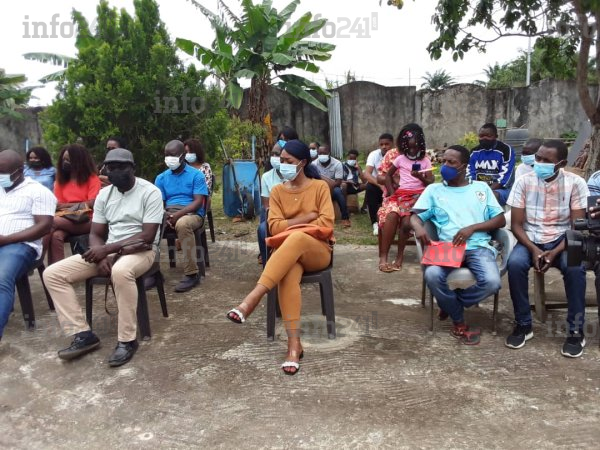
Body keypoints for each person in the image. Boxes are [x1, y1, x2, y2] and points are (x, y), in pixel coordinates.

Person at [43, 149, 163, 366]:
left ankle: (127, 340)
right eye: (110, 167)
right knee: (53, 273)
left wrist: (106, 250)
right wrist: (100, 256)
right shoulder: (104, 195)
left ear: (133, 168)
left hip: (142, 251)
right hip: (109, 249)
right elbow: (96, 234)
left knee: (121, 271)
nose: (115, 172)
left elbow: (147, 235)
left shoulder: (150, 192)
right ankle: (82, 334)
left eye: (121, 167)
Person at [226, 140, 334, 375]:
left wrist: (291, 227)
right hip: (289, 255)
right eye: (281, 160)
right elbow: (273, 227)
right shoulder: (277, 191)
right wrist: (307, 218)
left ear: (302, 163)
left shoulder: (319, 188)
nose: (282, 164)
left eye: (288, 161)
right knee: (288, 273)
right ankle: (294, 345)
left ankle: (253, 297)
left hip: (317, 251)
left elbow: (326, 224)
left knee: (295, 239)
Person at [410, 145, 505, 345]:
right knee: (432, 275)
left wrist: (472, 228)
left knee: (492, 282)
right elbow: (415, 217)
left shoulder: (481, 188)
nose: (445, 165)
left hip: (478, 247)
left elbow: (500, 220)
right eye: (443, 161)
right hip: (447, 248)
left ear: (464, 166)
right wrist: (418, 227)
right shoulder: (434, 190)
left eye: (451, 162)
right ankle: (459, 321)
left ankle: (451, 304)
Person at [505, 139, 589, 357]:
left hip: (563, 239)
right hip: (530, 238)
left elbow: (577, 228)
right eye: (538, 158)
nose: (539, 163)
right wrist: (534, 249)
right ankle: (523, 324)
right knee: (515, 264)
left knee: (575, 268)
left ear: (561, 164)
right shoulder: (523, 181)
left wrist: (555, 251)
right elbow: (516, 225)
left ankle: (576, 331)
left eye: (545, 160)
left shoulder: (576, 183)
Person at [0, 149, 56, 341]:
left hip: (21, 245)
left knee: (1, 278)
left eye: (3, 173)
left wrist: (6, 239)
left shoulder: (38, 191)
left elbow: (44, 226)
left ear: (19, 171)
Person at [155, 140, 209, 292]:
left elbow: (198, 202)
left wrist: (177, 215)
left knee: (183, 223)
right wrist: (165, 216)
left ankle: (192, 274)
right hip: (168, 212)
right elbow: (158, 203)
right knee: (149, 225)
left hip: (192, 214)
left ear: (182, 155)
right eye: (166, 155)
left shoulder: (196, 175)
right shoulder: (161, 178)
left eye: (172, 155)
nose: (169, 159)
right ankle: (152, 272)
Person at [382, 126, 434, 271]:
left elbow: (431, 182)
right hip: (404, 196)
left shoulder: (425, 161)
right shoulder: (400, 159)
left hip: (420, 196)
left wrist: (420, 177)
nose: (412, 150)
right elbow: (388, 176)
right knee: (404, 223)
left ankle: (407, 256)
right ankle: (399, 257)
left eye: (415, 147)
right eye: (409, 147)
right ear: (405, 145)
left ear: (420, 145)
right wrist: (391, 192)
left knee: (408, 223)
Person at [43, 144, 101, 265]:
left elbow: (92, 204)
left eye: (69, 160)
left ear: (79, 161)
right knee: (56, 236)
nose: (65, 163)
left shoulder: (92, 179)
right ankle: (55, 270)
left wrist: (65, 206)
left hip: (87, 220)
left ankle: (37, 256)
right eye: (64, 159)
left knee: (51, 222)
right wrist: (78, 205)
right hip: (67, 219)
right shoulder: (60, 181)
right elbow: (57, 205)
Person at [469, 123, 516, 206]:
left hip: (501, 190)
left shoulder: (506, 150)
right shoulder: (474, 152)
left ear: (496, 136)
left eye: (488, 136)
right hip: (478, 188)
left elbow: (504, 179)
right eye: (481, 136)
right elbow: (470, 174)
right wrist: (476, 190)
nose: (484, 138)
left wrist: (485, 191)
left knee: (490, 196)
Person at [258, 143, 285, 266]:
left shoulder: (296, 175)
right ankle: (267, 266)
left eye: (277, 154)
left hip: (296, 217)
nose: (274, 157)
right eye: (272, 154)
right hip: (275, 216)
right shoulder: (266, 177)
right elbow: (267, 206)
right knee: (262, 229)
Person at [312, 144, 351, 227]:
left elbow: (338, 182)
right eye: (320, 153)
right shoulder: (314, 164)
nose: (322, 155)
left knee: (338, 192)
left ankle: (345, 217)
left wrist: (323, 179)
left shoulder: (337, 163)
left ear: (329, 153)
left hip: (333, 188)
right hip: (319, 188)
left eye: (324, 153)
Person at [364, 133, 394, 235]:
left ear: (392, 144)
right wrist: (381, 186)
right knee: (370, 188)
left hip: (393, 184)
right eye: (381, 144)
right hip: (378, 184)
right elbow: (367, 174)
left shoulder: (397, 155)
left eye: (387, 144)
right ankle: (375, 223)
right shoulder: (374, 154)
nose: (384, 146)